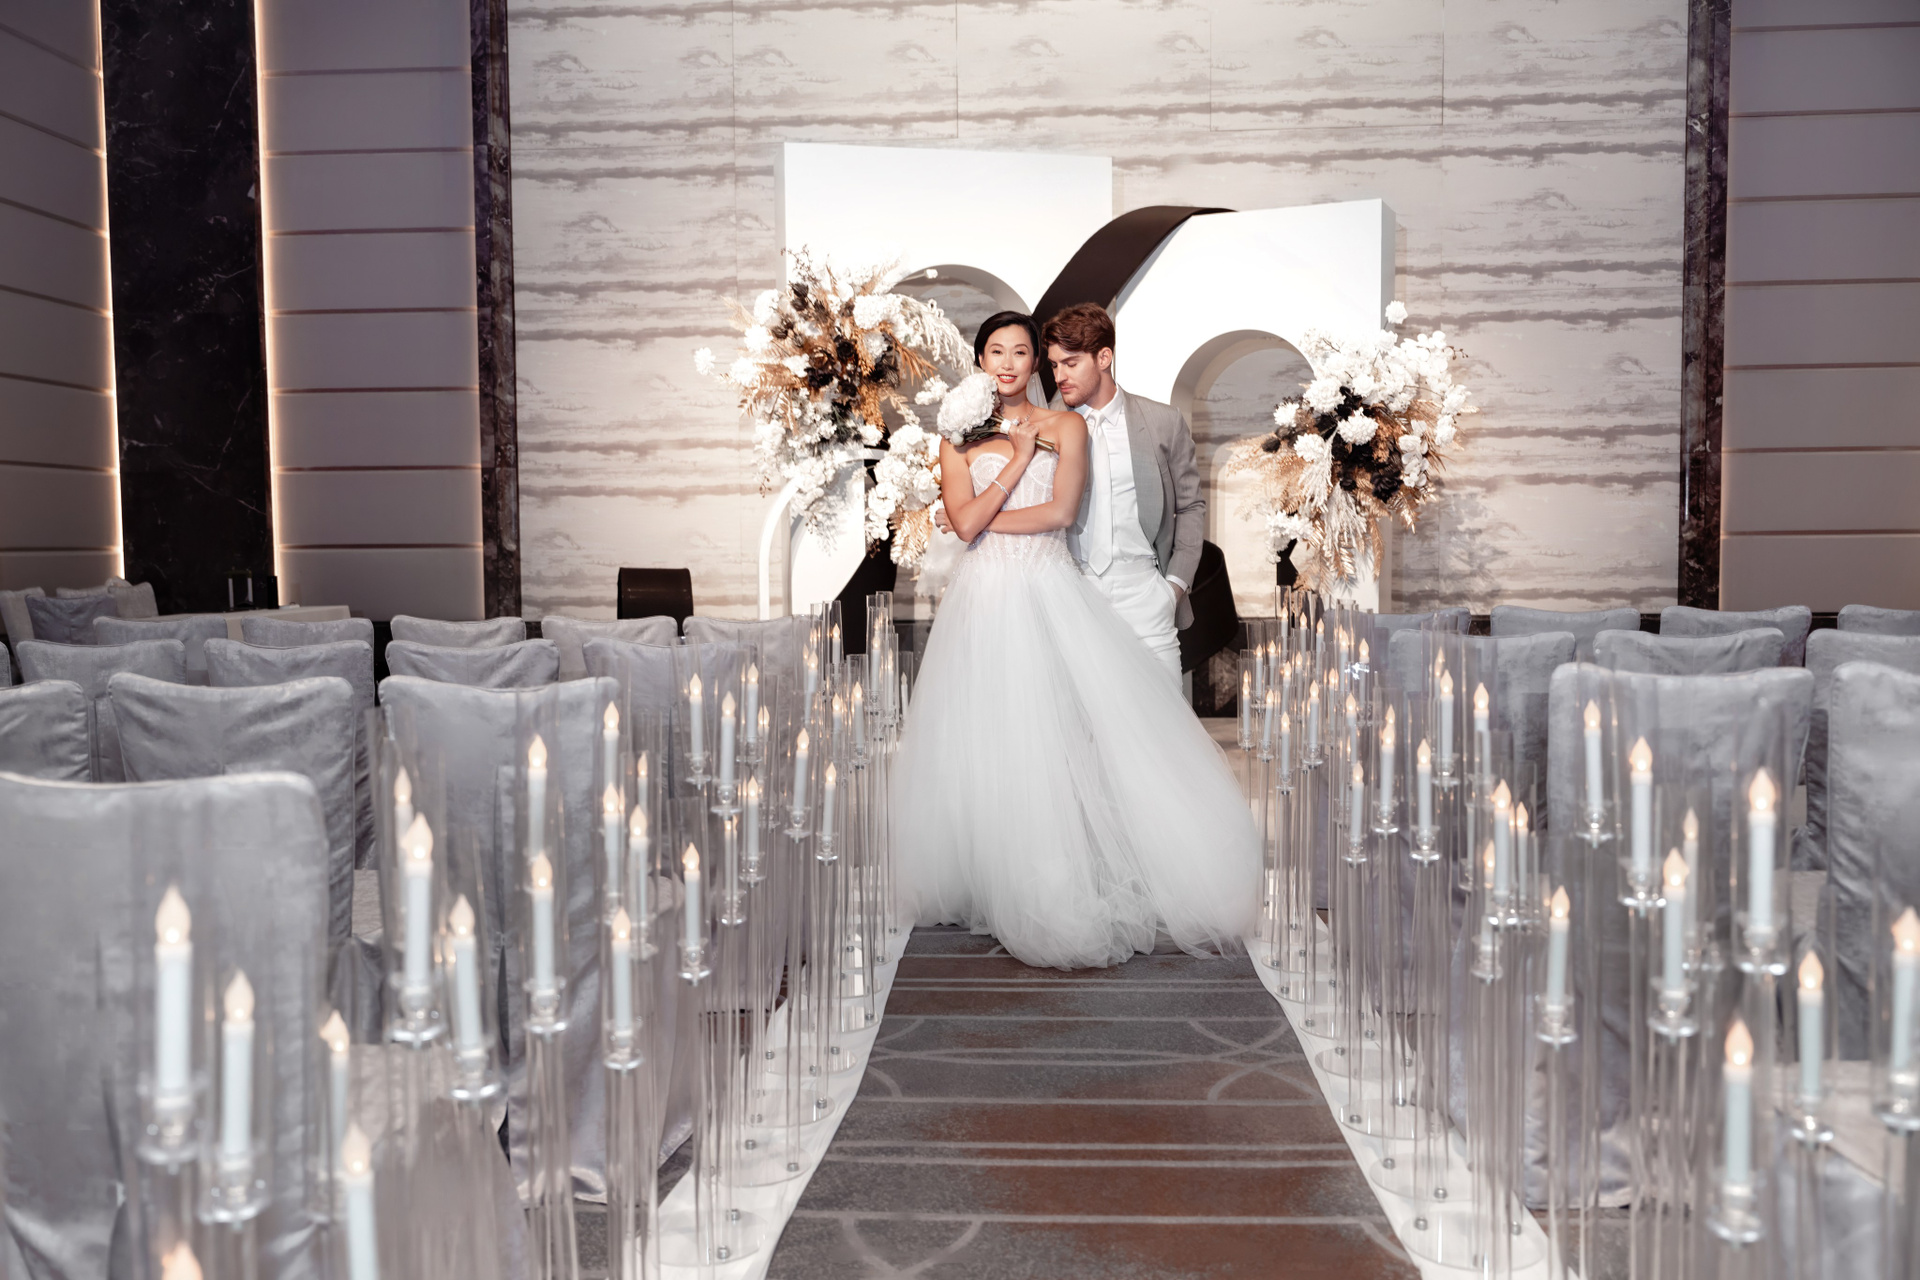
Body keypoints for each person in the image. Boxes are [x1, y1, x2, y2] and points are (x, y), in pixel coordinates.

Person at [895, 312, 1258, 970]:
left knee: (1118, 737)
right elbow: (964, 521)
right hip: (1007, 599)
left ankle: (1150, 876)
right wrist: (1005, 480)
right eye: (997, 351)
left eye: (1027, 353)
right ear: (980, 360)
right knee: (1012, 742)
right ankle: (1012, 875)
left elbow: (1065, 513)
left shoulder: (1078, 426)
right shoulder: (967, 435)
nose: (1014, 363)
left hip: (1089, 590)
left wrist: (1172, 587)